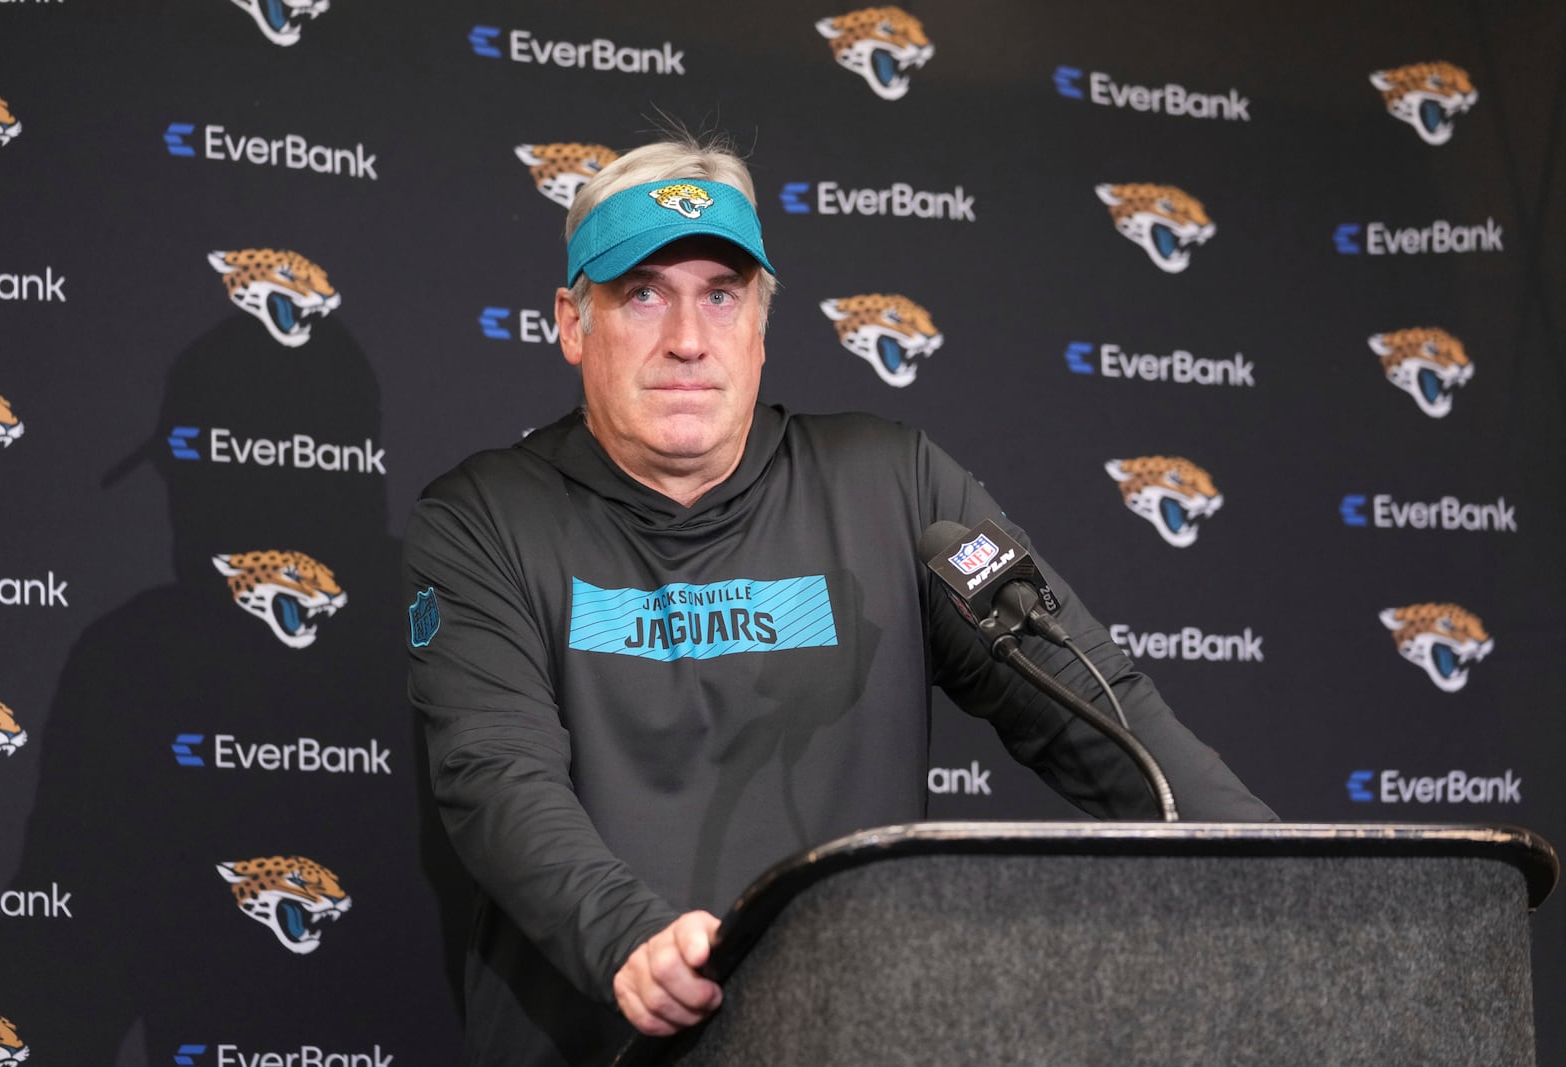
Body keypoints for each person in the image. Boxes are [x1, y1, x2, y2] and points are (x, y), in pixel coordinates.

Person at [401, 134, 1276, 1066]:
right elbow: (498, 778)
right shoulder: (481, 520)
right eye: (643, 293)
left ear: (762, 331)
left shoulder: (894, 484)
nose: (687, 339)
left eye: (722, 296)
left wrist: (1290, 883)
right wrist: (629, 938)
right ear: (573, 324)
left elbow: (1100, 710)